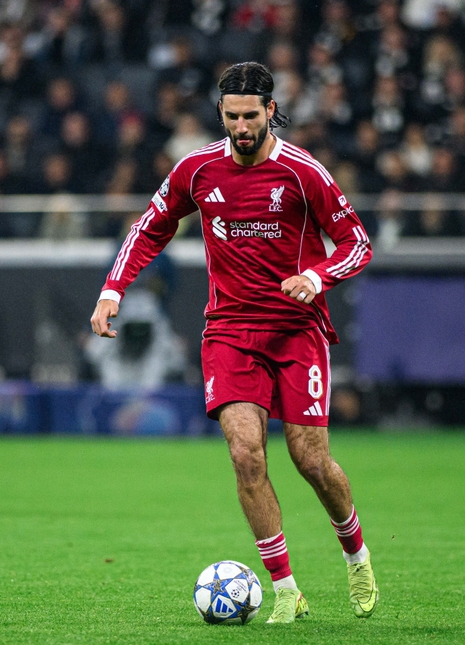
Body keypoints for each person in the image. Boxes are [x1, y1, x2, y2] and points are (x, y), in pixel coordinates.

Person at [90, 62, 377, 624]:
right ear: (219, 113)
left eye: (251, 115)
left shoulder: (302, 172)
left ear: (271, 111)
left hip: (297, 331)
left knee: (310, 460)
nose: (241, 126)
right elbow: (150, 225)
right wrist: (112, 290)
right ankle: (286, 589)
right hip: (229, 332)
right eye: (231, 116)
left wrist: (318, 278)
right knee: (247, 454)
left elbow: (358, 242)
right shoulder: (197, 169)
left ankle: (356, 553)